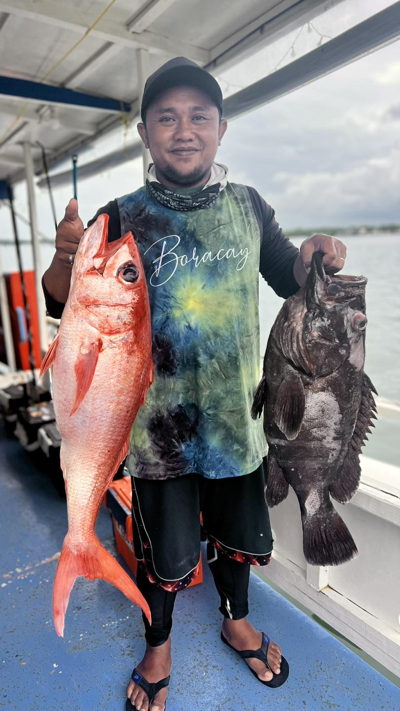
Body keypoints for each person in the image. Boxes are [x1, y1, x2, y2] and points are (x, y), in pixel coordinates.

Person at [43, 57, 347, 711]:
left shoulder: (247, 206)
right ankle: (158, 644)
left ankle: (235, 620)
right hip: (156, 434)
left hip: (239, 423)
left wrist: (315, 253)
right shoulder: (121, 214)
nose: (184, 130)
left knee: (240, 543)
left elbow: (288, 274)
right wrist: (67, 253)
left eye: (199, 117)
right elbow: (59, 301)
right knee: (167, 555)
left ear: (221, 129)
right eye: (167, 117)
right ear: (147, 134)